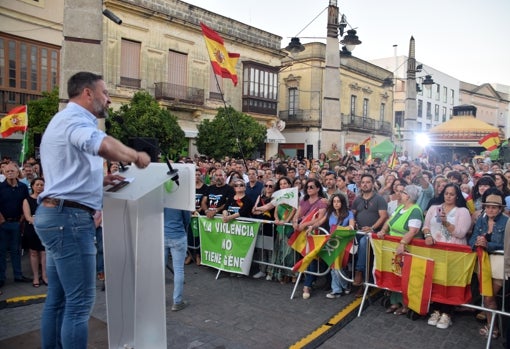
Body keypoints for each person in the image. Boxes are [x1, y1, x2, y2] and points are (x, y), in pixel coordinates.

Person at [33, 71, 151, 349]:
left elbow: (67, 175)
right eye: (105, 93)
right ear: (88, 93)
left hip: (57, 216)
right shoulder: (76, 119)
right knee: (79, 304)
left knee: (59, 300)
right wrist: (135, 155)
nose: (109, 100)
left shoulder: (62, 119)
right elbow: (102, 144)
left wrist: (101, 180)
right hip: (69, 221)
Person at [422, 183, 471, 329]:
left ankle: (447, 313)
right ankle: (436, 310)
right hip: (435, 251)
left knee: (450, 281)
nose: (448, 196)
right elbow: (425, 226)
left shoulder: (462, 211)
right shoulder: (434, 208)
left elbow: (461, 233)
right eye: (446, 193)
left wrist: (445, 222)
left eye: (452, 194)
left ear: (457, 196)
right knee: (436, 280)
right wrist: (428, 236)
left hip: (453, 253)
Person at [376, 185, 424, 315]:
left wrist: (402, 243)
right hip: (393, 248)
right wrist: (383, 230)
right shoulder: (401, 208)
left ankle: (406, 304)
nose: (399, 194)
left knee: (406, 276)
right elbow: (389, 221)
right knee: (395, 274)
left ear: (408, 196)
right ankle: (395, 301)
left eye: (402, 192)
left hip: (407, 249)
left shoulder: (415, 210)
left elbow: (413, 231)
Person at [469, 188, 508, 339]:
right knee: (486, 295)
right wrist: (477, 243)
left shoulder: (507, 222)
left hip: (498, 263)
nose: (490, 209)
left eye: (494, 207)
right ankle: (493, 327)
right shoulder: (481, 219)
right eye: (488, 206)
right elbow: (472, 239)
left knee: (490, 297)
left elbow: (506, 245)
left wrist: (487, 244)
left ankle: (494, 328)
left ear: (500, 208)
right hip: (482, 261)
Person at [351, 174, 388, 296]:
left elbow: (383, 216)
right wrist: (353, 223)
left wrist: (372, 228)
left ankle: (359, 272)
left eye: (368, 182)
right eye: (363, 182)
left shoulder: (379, 199)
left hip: (373, 234)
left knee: (364, 243)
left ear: (372, 184)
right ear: (360, 184)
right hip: (358, 231)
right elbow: (353, 214)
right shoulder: (357, 200)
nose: (365, 184)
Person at [292, 178, 328, 299]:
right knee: (306, 256)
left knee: (311, 257)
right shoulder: (304, 200)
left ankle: (307, 285)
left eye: (311, 187)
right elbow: (298, 213)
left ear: (318, 188)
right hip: (302, 233)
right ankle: (309, 281)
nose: (309, 189)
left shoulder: (322, 202)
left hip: (315, 233)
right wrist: (295, 221)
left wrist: (305, 224)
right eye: (307, 187)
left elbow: (319, 218)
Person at [0, 161, 31, 288]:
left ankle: (18, 275)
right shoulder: (0, 187)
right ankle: (1, 278)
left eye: (12, 171)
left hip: (17, 222)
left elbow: (26, 203)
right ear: (3, 173)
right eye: (7, 171)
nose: (10, 173)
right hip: (2, 223)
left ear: (17, 172)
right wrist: (1, 219)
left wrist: (22, 218)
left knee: (16, 251)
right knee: (1, 252)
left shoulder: (23, 187)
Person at [323, 193, 355, 298]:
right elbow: (320, 221)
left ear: (342, 203)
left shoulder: (349, 213)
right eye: (334, 201)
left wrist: (339, 230)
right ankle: (337, 289)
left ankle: (344, 286)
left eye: (338, 201)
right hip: (333, 242)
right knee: (333, 266)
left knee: (338, 267)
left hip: (344, 241)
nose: (336, 204)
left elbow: (351, 226)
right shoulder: (330, 213)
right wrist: (311, 227)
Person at [164, 207, 191, 312]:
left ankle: (158, 298)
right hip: (178, 236)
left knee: (160, 269)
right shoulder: (181, 200)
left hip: (163, 234)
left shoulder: (161, 197)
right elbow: (187, 219)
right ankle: (177, 302)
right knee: (179, 269)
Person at [22, 177, 47, 287]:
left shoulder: (47, 199)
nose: (39, 187)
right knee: (33, 253)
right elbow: (28, 217)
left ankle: (45, 276)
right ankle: (36, 277)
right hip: (32, 230)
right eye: (37, 185)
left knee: (44, 253)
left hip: (45, 230)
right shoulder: (27, 200)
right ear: (32, 186)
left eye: (42, 185)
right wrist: (39, 222)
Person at [251, 178, 276, 279]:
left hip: (270, 226)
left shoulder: (275, 198)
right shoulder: (260, 196)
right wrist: (259, 210)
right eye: (266, 185)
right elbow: (253, 210)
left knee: (270, 249)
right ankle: (262, 270)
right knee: (261, 249)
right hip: (260, 224)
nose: (268, 188)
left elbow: (267, 208)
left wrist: (258, 209)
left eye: (271, 186)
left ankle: (270, 271)